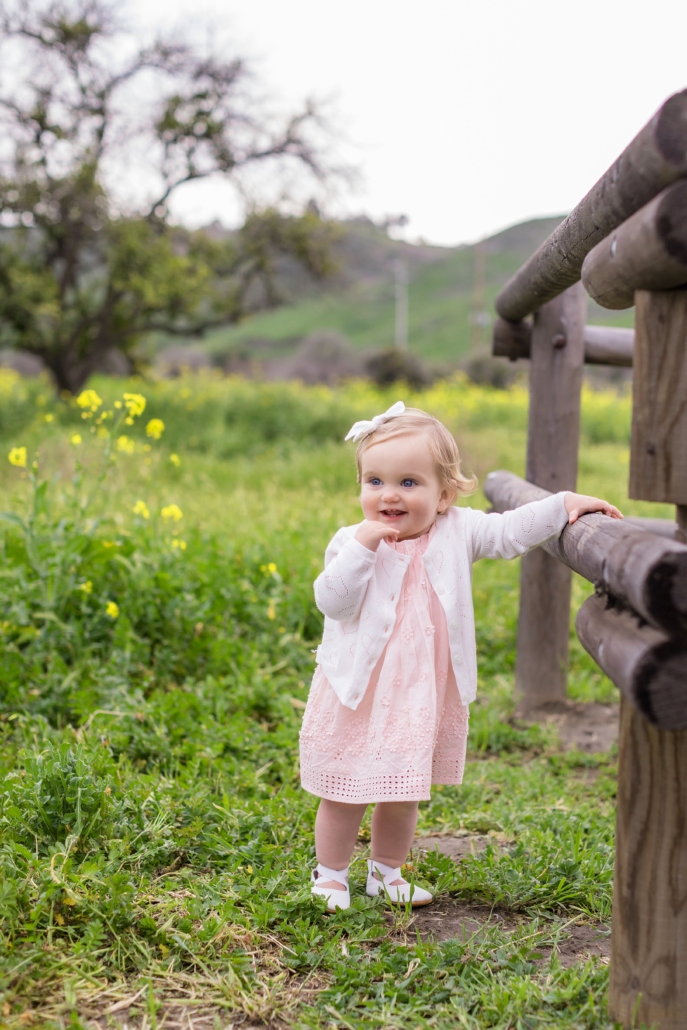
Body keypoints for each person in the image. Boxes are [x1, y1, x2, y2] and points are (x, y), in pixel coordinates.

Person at [299, 402, 622, 911]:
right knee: (347, 787)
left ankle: (386, 871)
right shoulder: (350, 542)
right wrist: (362, 549)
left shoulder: (458, 530)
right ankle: (331, 875)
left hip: (416, 694)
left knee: (403, 787)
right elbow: (332, 601)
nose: (389, 495)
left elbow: (509, 531)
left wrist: (563, 504)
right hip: (360, 691)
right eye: (375, 481)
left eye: (409, 483)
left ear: (444, 494)